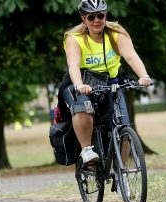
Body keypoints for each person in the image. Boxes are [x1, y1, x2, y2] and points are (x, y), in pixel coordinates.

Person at [60, 0, 152, 164]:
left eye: (100, 15)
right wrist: (79, 85)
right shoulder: (74, 38)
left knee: (124, 125)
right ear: (83, 19)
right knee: (82, 107)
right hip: (82, 83)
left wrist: (143, 75)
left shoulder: (117, 34)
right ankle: (87, 150)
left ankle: (121, 172)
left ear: (105, 15)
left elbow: (131, 56)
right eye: (91, 17)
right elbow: (73, 65)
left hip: (110, 83)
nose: (97, 20)